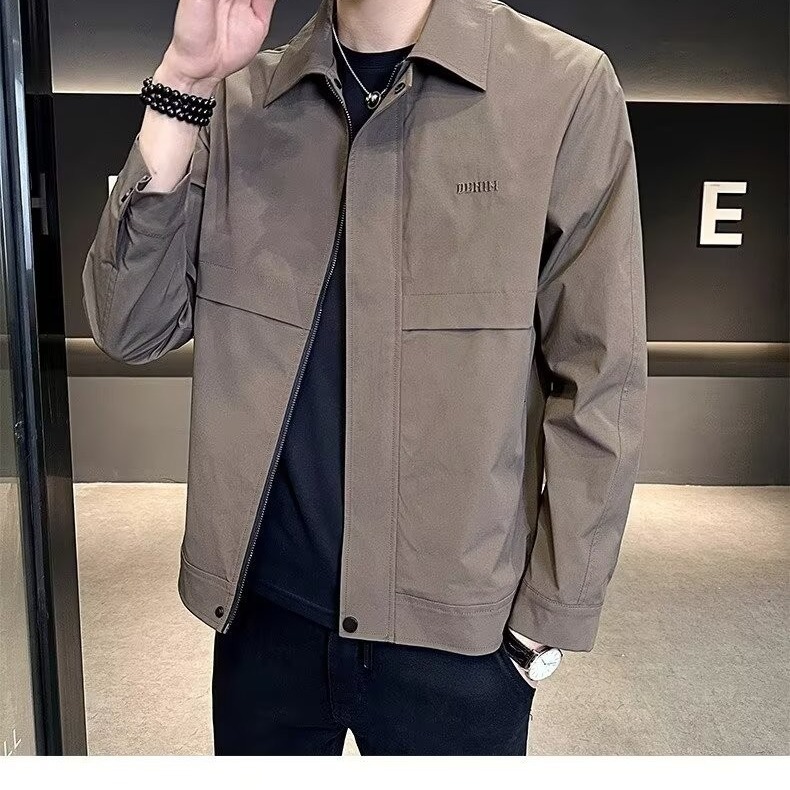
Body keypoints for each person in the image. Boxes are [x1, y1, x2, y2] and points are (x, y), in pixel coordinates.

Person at [82, 0, 647, 756]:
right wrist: (183, 82)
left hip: (459, 642)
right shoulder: (240, 100)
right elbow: (129, 326)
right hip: (265, 617)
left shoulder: (562, 87)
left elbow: (601, 378)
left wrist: (543, 622)